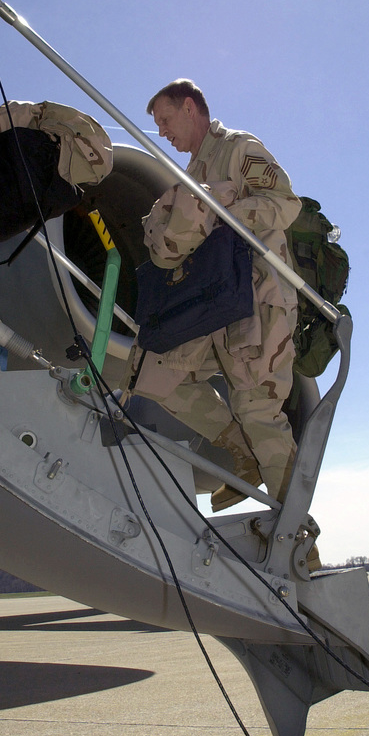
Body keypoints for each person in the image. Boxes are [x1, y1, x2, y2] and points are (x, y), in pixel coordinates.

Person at [123, 78, 302, 512]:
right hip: (213, 306)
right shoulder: (192, 174)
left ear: (189, 107)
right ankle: (243, 452)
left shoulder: (238, 147)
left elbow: (285, 202)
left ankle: (297, 537)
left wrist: (224, 218)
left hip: (257, 300)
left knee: (258, 409)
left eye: (165, 120)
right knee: (158, 374)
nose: (162, 132)